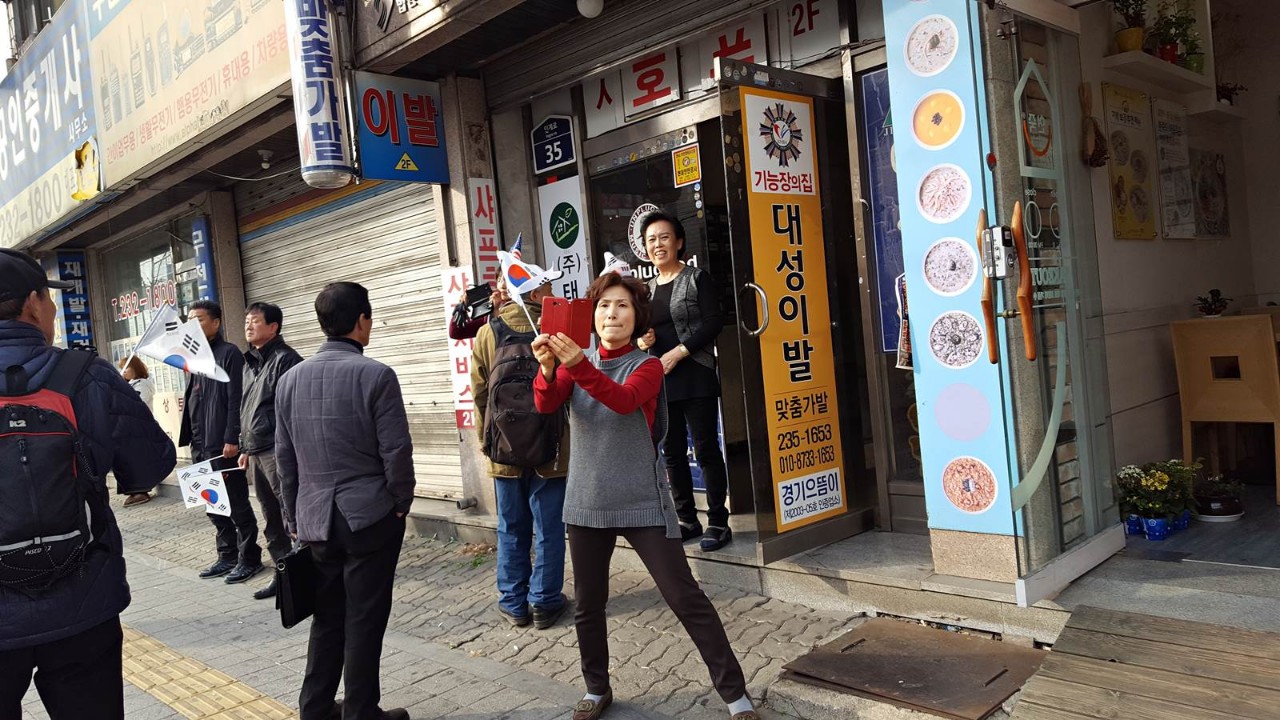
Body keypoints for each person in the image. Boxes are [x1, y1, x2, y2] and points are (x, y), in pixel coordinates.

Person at [532, 273, 759, 720]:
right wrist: (547, 369)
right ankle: (596, 689)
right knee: (589, 604)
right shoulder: (577, 363)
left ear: (637, 317)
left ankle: (736, 696)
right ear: (592, 315)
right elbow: (545, 403)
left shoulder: (648, 366)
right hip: (586, 501)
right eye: (603, 306)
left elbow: (621, 400)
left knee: (685, 596)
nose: (611, 314)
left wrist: (576, 364)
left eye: (622, 306)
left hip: (643, 501)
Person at [0, 249, 176, 719]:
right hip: (82, 601)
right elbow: (150, 468)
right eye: (49, 299)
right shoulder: (86, 375)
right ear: (33, 303)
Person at [275, 282, 414, 720]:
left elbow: (285, 459)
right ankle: (360, 711)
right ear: (361, 321)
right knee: (364, 619)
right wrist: (401, 501)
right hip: (368, 516)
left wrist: (292, 517)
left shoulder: (289, 380)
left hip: (316, 519)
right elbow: (396, 450)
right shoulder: (376, 375)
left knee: (327, 616)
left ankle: (315, 709)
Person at [471, 274, 569, 629]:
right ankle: (544, 601)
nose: (552, 293)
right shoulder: (555, 330)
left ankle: (513, 603)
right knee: (549, 527)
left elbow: (479, 392)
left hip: (504, 448)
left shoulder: (488, 332)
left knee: (511, 526)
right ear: (536, 293)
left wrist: (487, 440)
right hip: (550, 447)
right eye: (548, 288)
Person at [635, 211, 731, 551]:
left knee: (705, 449)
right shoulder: (645, 290)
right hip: (661, 380)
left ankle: (718, 522)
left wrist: (679, 352)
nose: (657, 244)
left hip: (696, 374)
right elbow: (639, 333)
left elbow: (714, 322)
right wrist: (642, 341)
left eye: (664, 237)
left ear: (678, 242)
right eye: (651, 240)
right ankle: (687, 519)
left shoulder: (697, 278)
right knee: (672, 452)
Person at [179, 299, 263, 585]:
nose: (192, 324)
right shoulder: (193, 356)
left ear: (216, 322)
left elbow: (236, 399)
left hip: (222, 444)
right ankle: (227, 555)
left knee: (236, 503)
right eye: (189, 320)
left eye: (199, 319)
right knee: (212, 502)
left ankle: (249, 558)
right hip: (200, 443)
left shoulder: (229, 354)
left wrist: (232, 437)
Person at [236, 302, 303, 600]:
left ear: (274, 327)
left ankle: (305, 577)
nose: (248, 326)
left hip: (277, 450)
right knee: (271, 516)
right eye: (246, 321)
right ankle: (283, 576)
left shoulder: (286, 360)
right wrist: (245, 446)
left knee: (291, 513)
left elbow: (292, 410)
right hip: (256, 451)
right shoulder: (250, 362)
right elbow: (247, 408)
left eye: (255, 321)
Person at [119, 355, 157, 507]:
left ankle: (142, 491)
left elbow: (136, 404)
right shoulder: (129, 385)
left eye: (126, 367)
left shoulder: (142, 385)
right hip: (130, 428)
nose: (124, 371)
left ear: (135, 368)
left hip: (141, 427)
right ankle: (134, 491)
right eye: (122, 368)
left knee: (138, 460)